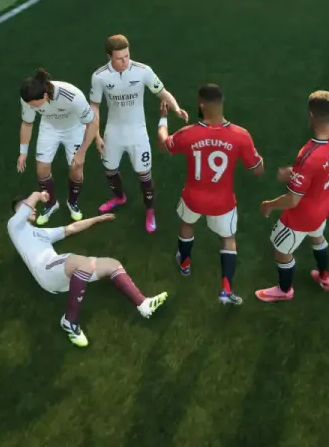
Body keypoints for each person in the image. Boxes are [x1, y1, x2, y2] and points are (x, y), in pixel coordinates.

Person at [7, 189, 169, 347]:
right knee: (81, 263)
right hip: (46, 270)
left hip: (60, 275)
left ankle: (143, 304)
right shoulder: (14, 226)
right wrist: (38, 195)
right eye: (26, 205)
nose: (33, 208)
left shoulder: (42, 233)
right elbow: (30, 203)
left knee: (112, 265)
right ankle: (70, 321)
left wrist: (97, 219)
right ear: (17, 212)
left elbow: (70, 229)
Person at [157, 84, 264, 305]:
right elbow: (257, 169)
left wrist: (163, 119)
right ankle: (226, 289)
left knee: (187, 224)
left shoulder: (189, 134)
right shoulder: (241, 135)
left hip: (193, 197)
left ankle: (184, 263)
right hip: (223, 202)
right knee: (228, 239)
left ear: (201, 105)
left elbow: (164, 145)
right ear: (222, 103)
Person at [89, 34, 189, 233]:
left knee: (144, 174)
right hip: (113, 132)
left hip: (137, 132)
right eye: (119, 58)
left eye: (127, 56)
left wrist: (176, 108)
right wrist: (96, 135)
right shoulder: (100, 77)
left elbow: (161, 92)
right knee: (110, 169)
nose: (125, 61)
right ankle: (119, 197)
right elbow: (95, 107)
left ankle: (149, 210)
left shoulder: (143, 71)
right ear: (109, 56)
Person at [256, 91, 329, 302]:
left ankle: (285, 291)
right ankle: (324, 277)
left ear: (311, 115)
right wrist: (295, 173)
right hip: (324, 202)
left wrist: (269, 204)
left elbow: (292, 200)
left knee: (281, 250)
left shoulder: (309, 155)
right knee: (318, 237)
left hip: (302, 215)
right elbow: (321, 169)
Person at [18, 68, 98, 224]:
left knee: (76, 168)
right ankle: (51, 203)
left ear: (45, 96)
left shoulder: (72, 96)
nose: (32, 108)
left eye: (35, 106)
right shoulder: (28, 98)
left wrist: (81, 152)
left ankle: (72, 202)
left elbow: (92, 123)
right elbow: (27, 123)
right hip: (49, 127)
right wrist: (23, 152)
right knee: (41, 169)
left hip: (74, 128)